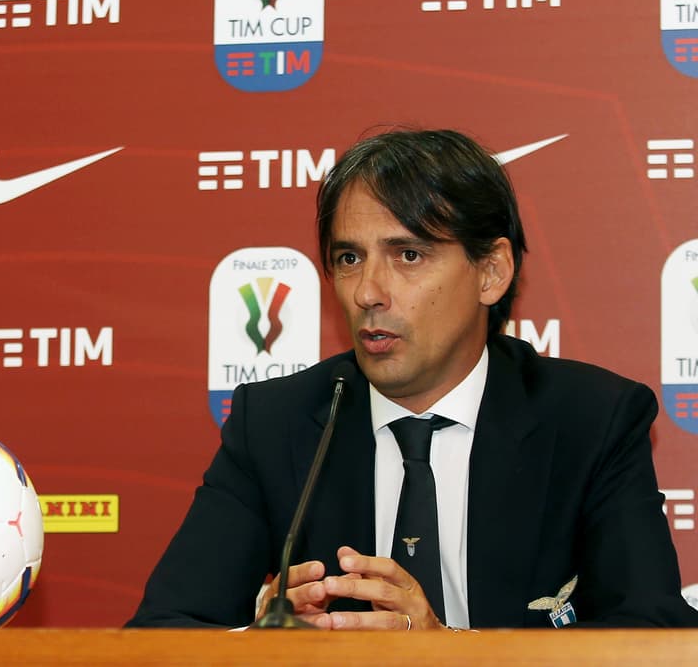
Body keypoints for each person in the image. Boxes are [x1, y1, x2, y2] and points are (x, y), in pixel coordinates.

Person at [127, 128, 698, 630]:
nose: (367, 292)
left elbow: (653, 635)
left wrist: (450, 652)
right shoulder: (276, 424)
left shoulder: (591, 420)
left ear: (491, 271)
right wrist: (262, 649)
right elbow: (161, 632)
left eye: (408, 255)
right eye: (349, 259)